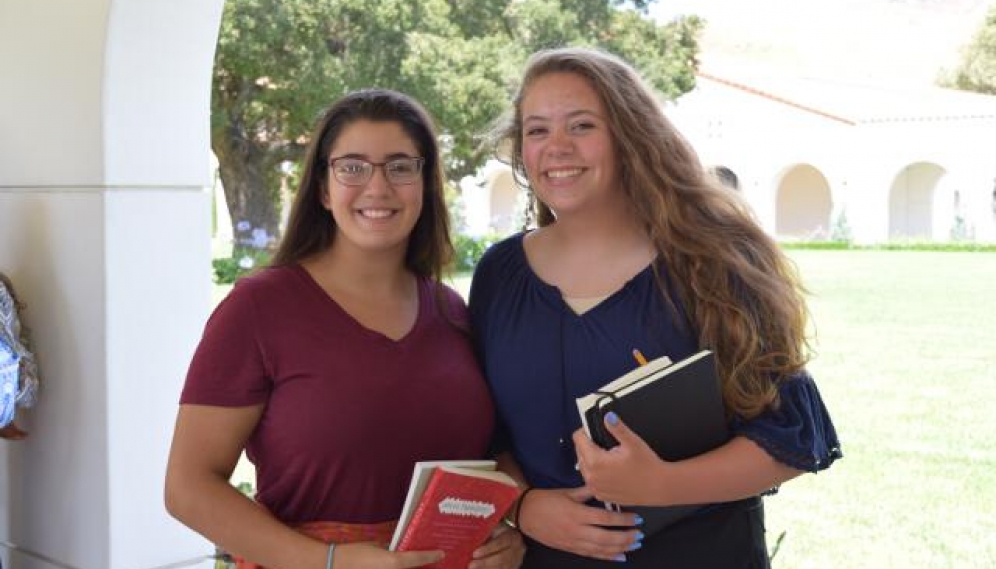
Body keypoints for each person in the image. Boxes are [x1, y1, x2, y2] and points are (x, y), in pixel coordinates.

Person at [469, 47, 841, 568]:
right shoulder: (499, 275)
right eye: (536, 130)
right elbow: (489, 435)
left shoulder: (713, 260)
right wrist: (525, 508)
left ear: (631, 135)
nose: (556, 147)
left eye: (581, 126)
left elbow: (790, 437)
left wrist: (663, 484)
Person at [166, 89, 523, 569]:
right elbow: (188, 488)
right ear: (322, 188)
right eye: (352, 167)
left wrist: (506, 532)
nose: (377, 187)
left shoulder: (453, 311)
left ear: (424, 184)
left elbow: (491, 459)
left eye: (400, 166)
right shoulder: (258, 308)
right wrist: (329, 560)